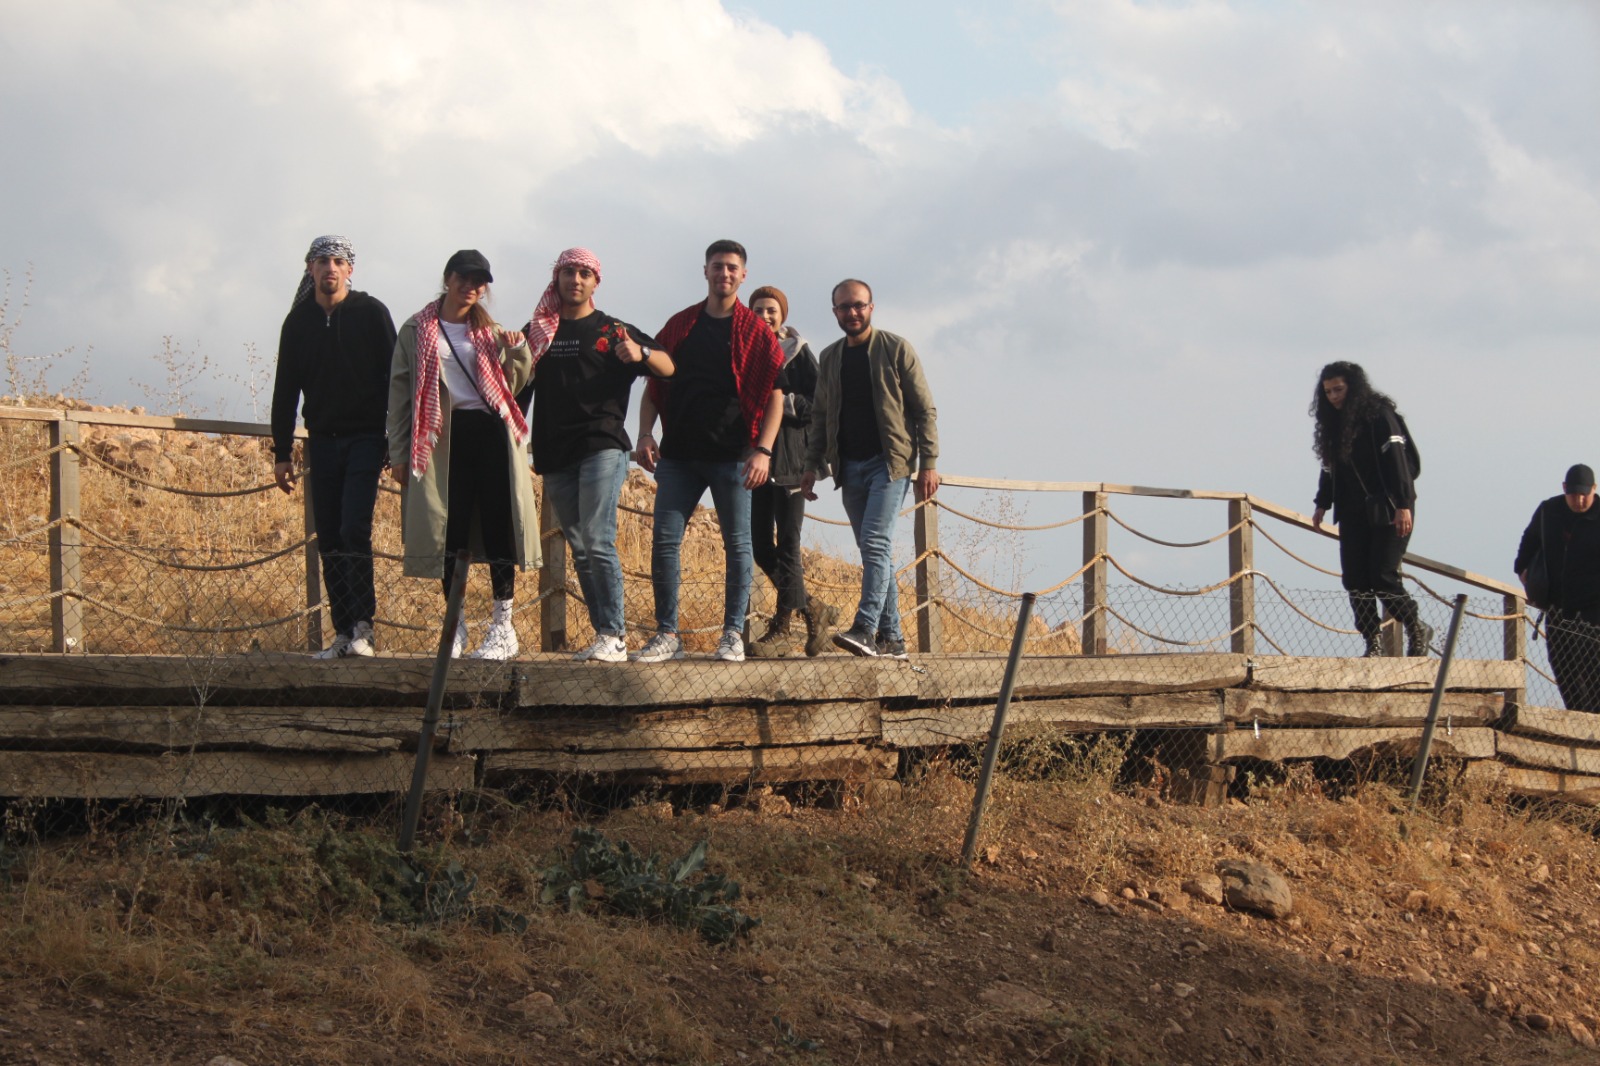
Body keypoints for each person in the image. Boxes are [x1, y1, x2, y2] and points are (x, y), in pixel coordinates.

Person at [633, 240, 786, 663]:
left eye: (732, 267)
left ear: (743, 275)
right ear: (705, 271)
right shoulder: (681, 325)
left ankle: (732, 633)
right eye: (717, 266)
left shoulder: (756, 331)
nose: (724, 273)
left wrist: (763, 450)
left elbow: (775, 395)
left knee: (738, 545)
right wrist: (644, 434)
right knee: (665, 542)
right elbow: (653, 384)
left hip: (734, 456)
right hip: (678, 455)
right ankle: (667, 634)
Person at [520, 248, 674, 663]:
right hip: (555, 451)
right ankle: (606, 634)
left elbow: (668, 366)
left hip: (601, 445)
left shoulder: (613, 330)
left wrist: (640, 354)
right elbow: (516, 388)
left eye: (584, 273)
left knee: (597, 538)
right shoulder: (538, 331)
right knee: (580, 545)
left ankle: (613, 634)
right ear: (556, 278)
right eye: (569, 272)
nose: (576, 279)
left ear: (595, 282)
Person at [387, 250, 540, 660]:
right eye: (465, 278)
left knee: (497, 525)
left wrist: (518, 351)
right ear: (448, 278)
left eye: (479, 282)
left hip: (490, 433)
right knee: (448, 530)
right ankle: (455, 626)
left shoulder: (492, 331)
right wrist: (398, 451)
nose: (471, 287)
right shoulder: (416, 329)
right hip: (441, 438)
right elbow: (400, 393)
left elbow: (514, 385)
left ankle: (503, 626)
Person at [270, 235, 397, 659]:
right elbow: (286, 388)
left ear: (349, 269)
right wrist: (282, 452)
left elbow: (396, 380)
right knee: (328, 536)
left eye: (338, 261)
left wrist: (395, 439)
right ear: (310, 268)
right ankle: (342, 632)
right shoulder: (298, 321)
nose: (330, 268)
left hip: (366, 438)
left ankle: (364, 627)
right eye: (322, 260)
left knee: (353, 529)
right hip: (321, 441)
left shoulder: (371, 313)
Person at [801, 279, 940, 660]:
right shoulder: (830, 357)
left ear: (871, 307)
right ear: (835, 312)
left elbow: (924, 409)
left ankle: (865, 628)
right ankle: (892, 638)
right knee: (872, 551)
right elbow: (820, 416)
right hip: (849, 468)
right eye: (845, 307)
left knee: (876, 543)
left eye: (859, 305)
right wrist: (811, 465)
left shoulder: (896, 349)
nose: (853, 312)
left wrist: (929, 463)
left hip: (890, 463)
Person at [1310, 361, 1431, 657]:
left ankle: (1415, 626)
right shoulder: (1333, 425)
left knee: (1382, 575)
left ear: (1353, 387)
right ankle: (1372, 641)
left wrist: (1403, 504)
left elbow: (1399, 462)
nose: (1333, 397)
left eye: (1338, 389)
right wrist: (1322, 503)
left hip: (1389, 506)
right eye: (1328, 392)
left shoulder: (1379, 415)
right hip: (1352, 511)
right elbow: (1329, 468)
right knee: (1355, 578)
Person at [745, 285, 837, 658]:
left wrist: (782, 402)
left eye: (771, 310)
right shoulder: (744, 350)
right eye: (757, 310)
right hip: (757, 460)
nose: (765, 316)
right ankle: (813, 607)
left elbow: (821, 403)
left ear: (783, 314)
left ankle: (782, 628)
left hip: (792, 458)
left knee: (788, 544)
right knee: (759, 544)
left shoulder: (798, 353)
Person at [1515, 464, 1600, 712]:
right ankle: (1575, 718)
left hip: (1594, 609)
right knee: (1563, 666)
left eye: (1584, 494)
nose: (1579, 500)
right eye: (1573, 494)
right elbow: (1529, 540)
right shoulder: (1548, 510)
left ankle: (1595, 722)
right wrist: (1522, 569)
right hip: (1557, 606)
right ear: (1564, 489)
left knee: (1592, 668)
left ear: (1594, 489)